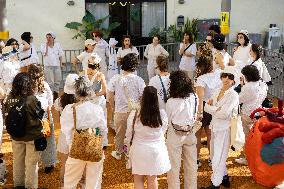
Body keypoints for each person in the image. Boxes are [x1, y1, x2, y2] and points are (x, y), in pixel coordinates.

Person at [61, 76, 107, 189]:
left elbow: (65, 130)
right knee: (94, 183)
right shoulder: (97, 109)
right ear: (89, 91)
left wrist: (71, 143)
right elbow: (103, 130)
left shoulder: (69, 109)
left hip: (75, 149)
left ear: (75, 92)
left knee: (70, 182)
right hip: (95, 147)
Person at [124, 86, 171, 189]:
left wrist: (126, 147)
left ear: (143, 98)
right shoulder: (162, 114)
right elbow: (163, 131)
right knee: (152, 179)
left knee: (138, 179)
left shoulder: (135, 114)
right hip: (156, 150)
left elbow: (128, 134)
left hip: (139, 150)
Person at [3, 72, 44, 189]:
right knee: (31, 165)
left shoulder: (9, 97)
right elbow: (40, 115)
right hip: (32, 136)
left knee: (17, 163)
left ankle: (18, 186)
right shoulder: (31, 99)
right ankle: (30, 187)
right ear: (28, 85)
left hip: (16, 136)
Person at [202, 67, 239, 189]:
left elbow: (224, 114)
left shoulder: (233, 95)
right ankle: (224, 177)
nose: (227, 79)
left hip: (224, 129)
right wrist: (214, 109)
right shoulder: (217, 91)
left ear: (234, 81)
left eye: (230, 77)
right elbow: (206, 107)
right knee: (213, 155)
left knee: (218, 156)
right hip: (214, 127)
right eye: (225, 75)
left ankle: (215, 184)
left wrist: (211, 109)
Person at [108, 53, 145, 160]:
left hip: (120, 111)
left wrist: (113, 107)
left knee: (120, 134)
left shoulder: (115, 78)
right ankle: (130, 152)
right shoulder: (139, 79)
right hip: (134, 111)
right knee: (133, 133)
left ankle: (119, 152)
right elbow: (143, 96)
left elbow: (110, 96)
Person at [166, 70, 198, 189]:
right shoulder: (194, 96)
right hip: (190, 133)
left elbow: (168, 120)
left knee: (174, 167)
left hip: (174, 135)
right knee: (191, 166)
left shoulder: (171, 101)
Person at [235, 65, 268, 165]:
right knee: (257, 137)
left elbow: (238, 99)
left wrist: (241, 85)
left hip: (247, 114)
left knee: (248, 137)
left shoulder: (248, 87)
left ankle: (248, 158)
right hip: (259, 113)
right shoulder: (263, 84)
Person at [28, 64, 57, 174]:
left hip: (31, 118)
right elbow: (50, 102)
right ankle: (49, 163)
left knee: (32, 141)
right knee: (48, 140)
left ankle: (33, 163)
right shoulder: (44, 85)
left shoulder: (27, 86)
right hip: (44, 116)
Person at [195, 52, 222, 168]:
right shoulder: (219, 73)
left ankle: (196, 159)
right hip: (216, 107)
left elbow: (200, 99)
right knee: (211, 134)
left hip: (205, 107)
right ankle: (212, 159)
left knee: (198, 135)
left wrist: (199, 113)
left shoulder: (201, 79)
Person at [54, 74, 78, 187]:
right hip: (78, 135)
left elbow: (58, 119)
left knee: (64, 164)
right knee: (80, 164)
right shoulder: (80, 101)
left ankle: (63, 186)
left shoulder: (59, 100)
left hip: (64, 135)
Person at [40, 32, 64, 99]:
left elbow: (60, 55)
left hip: (57, 65)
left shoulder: (57, 44)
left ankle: (56, 94)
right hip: (48, 66)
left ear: (53, 38)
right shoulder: (43, 45)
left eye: (49, 37)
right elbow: (44, 54)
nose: (48, 39)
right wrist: (47, 46)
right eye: (47, 37)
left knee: (57, 81)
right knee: (50, 82)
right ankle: (50, 95)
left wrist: (61, 64)